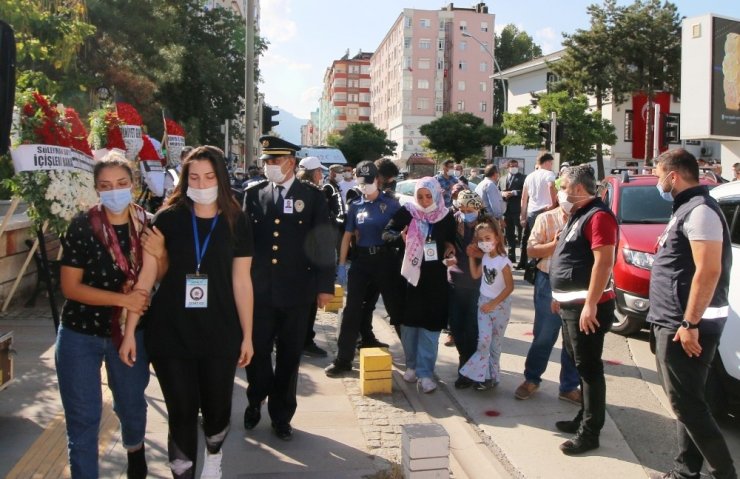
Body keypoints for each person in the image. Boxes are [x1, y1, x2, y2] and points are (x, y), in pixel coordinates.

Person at [119, 146, 254, 479]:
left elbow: (242, 282)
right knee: (180, 411)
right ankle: (183, 473)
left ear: (220, 178)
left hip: (220, 332)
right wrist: (129, 331)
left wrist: (248, 335)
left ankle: (214, 454)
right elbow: (147, 277)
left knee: (217, 409)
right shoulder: (167, 218)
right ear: (184, 179)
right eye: (194, 176)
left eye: (209, 176)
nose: (202, 183)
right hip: (171, 332)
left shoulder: (237, 220)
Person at [57, 152, 155, 479]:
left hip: (130, 331)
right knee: (83, 419)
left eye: (122, 183)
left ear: (133, 183)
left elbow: (159, 273)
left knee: (130, 404)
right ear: (97, 189)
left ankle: (135, 449)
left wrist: (161, 254)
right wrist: (121, 298)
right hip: (79, 333)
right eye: (106, 185)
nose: (115, 191)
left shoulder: (147, 225)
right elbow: (71, 287)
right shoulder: (83, 226)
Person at [647, 149, 736, 479]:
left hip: (684, 326)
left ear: (674, 176)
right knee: (686, 402)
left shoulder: (700, 211)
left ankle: (725, 473)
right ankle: (686, 471)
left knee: (689, 405)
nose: (657, 181)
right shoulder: (685, 209)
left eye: (658, 175)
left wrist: (689, 323)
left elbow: (709, 270)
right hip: (670, 321)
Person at [242, 136, 335, 441]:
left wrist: (325, 287)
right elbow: (244, 245)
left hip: (298, 292)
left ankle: (282, 416)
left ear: (290, 163)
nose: (268, 166)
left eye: (273, 161)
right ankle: (256, 398)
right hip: (261, 292)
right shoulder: (254, 195)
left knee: (290, 356)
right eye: (266, 161)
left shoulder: (312, 196)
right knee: (256, 354)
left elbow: (323, 243)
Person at [549, 165, 618, 456]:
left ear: (577, 189)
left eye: (563, 187)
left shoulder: (599, 216)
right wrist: (558, 296)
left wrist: (590, 304)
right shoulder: (578, 214)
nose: (560, 192)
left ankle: (590, 432)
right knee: (580, 364)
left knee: (589, 369)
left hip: (587, 309)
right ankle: (583, 417)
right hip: (570, 305)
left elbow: (603, 263)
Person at [325, 161, 404, 377]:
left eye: (369, 181)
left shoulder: (391, 204)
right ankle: (343, 359)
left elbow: (405, 230)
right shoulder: (356, 206)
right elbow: (347, 236)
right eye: (362, 181)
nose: (365, 185)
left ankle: (415, 361)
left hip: (386, 261)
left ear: (377, 180)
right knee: (352, 310)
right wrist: (341, 265)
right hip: (361, 262)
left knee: (396, 310)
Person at [383, 177, 456, 393]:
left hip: (435, 280)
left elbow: (452, 242)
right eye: (420, 196)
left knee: (430, 326)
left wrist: (451, 249)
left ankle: (425, 373)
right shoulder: (408, 212)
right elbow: (387, 234)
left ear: (436, 195)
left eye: (428, 196)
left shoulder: (446, 216)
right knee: (409, 324)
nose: (424, 201)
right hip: (408, 278)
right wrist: (401, 239)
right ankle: (412, 365)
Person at [514, 201, 581, 403]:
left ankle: (569, 386)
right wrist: (555, 244)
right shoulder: (546, 218)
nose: (572, 197)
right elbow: (531, 250)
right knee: (544, 334)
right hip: (548, 282)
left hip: (577, 284)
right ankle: (532, 379)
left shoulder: (588, 219)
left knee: (572, 338)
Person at [459, 220, 514, 391]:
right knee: (483, 341)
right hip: (484, 304)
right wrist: (470, 257)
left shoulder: (503, 261)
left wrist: (494, 304)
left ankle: (492, 377)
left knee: (495, 345)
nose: (485, 242)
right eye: (481, 240)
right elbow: (476, 275)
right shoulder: (484, 258)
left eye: (488, 238)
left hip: (500, 306)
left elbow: (510, 287)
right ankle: (480, 374)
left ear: (497, 238)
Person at [447, 190, 486, 389]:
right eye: (461, 209)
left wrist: (479, 252)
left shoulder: (486, 225)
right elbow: (444, 240)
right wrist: (447, 249)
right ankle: (466, 361)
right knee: (456, 326)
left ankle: (467, 368)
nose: (465, 212)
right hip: (454, 279)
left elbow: (497, 250)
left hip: (476, 283)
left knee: (471, 328)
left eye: (469, 209)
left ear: (477, 209)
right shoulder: (453, 220)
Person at [297, 156, 334, 358]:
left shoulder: (299, 190)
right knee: (308, 304)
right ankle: (305, 340)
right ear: (315, 173)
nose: (322, 175)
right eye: (320, 172)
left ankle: (301, 339)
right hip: (309, 258)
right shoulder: (314, 193)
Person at [519, 152, 557, 269]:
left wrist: (522, 216)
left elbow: (524, 198)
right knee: (547, 241)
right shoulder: (549, 174)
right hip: (546, 211)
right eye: (551, 163)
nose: (551, 165)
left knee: (534, 241)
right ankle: (543, 266)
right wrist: (553, 204)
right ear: (546, 162)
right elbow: (551, 186)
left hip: (532, 212)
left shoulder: (529, 177)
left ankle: (533, 265)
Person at [498, 159, 525, 264]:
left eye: (516, 166)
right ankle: (511, 256)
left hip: (518, 209)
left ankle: (523, 258)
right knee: (509, 234)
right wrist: (502, 194)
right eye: (512, 166)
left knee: (520, 233)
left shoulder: (523, 178)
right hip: (506, 210)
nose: (514, 167)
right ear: (507, 167)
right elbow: (497, 191)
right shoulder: (502, 178)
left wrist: (514, 193)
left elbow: (526, 191)